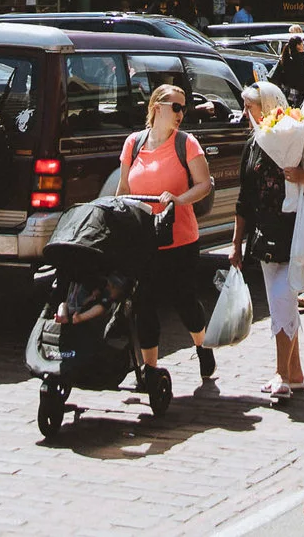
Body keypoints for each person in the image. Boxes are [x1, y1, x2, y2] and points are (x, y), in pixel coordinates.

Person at [124, 81, 217, 389]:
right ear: (156, 108)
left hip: (180, 238)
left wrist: (178, 199)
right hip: (143, 241)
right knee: (143, 304)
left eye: (183, 108)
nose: (181, 113)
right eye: (175, 107)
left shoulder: (186, 143)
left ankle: (202, 345)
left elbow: (203, 184)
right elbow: (123, 190)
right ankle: (150, 370)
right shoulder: (134, 143)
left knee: (184, 301)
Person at [233, 81, 304, 401]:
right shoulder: (253, 144)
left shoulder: (295, 136)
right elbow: (244, 197)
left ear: (266, 107)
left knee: (281, 299)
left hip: (293, 230)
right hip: (264, 234)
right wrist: (236, 242)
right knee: (281, 302)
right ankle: (295, 374)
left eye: (249, 107)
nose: (244, 114)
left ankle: (281, 372)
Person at [273, 34, 304, 104]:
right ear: (298, 46)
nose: (303, 46)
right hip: (296, 89)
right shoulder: (299, 59)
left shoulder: (285, 57)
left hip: (285, 88)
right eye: (303, 44)